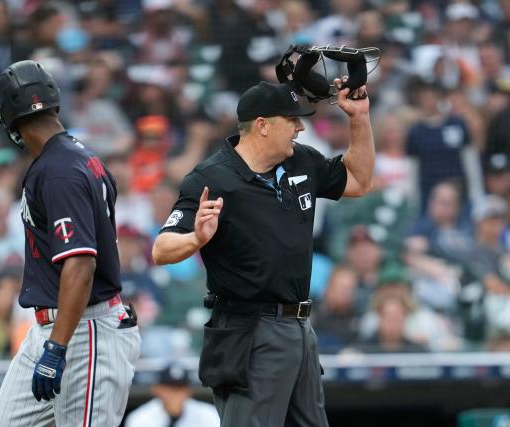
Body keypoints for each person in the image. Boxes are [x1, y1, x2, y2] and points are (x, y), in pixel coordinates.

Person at [152, 79, 374, 426]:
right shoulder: (213, 177)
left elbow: (358, 181)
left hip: (299, 326)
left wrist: (359, 119)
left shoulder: (301, 161)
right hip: (249, 330)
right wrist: (196, 238)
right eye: (293, 120)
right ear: (263, 125)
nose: (301, 127)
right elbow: (162, 249)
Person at [0, 60, 140, 426]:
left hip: (84, 331)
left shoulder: (58, 170)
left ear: (10, 119)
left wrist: (57, 347)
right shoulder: (78, 156)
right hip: (51, 327)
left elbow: (81, 264)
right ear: (55, 104)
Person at [124, 363, 220, 427]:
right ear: (157, 389)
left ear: (188, 391)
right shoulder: (140, 418)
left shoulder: (208, 415)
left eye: (179, 388)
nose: (174, 394)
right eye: (169, 388)